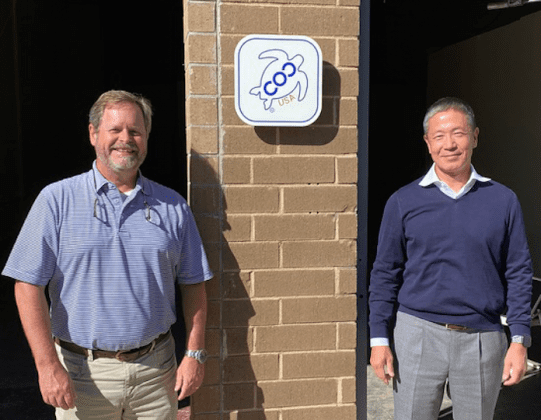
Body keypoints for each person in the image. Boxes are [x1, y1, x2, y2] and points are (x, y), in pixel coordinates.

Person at [2, 90, 213, 419]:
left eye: (135, 131)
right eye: (115, 129)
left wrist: (194, 353)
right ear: (93, 133)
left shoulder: (173, 206)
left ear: (146, 137)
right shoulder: (56, 201)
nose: (125, 139)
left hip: (157, 376)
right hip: (81, 376)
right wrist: (47, 366)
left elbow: (193, 283)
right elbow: (27, 286)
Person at [369, 97, 533, 419]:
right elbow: (385, 273)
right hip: (417, 334)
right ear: (428, 143)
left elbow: (518, 272)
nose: (450, 144)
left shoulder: (503, 201)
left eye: (458, 133)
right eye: (439, 136)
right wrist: (379, 338)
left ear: (475, 137)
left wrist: (519, 339)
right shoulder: (403, 201)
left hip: (482, 338)